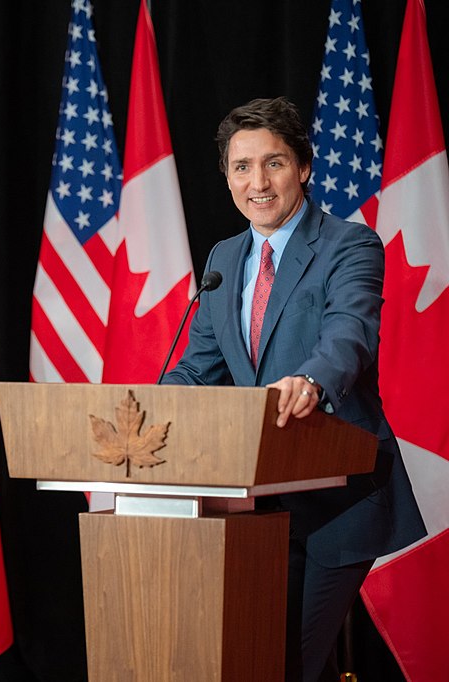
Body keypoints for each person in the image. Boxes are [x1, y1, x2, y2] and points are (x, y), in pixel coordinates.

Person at [161, 97, 426, 681]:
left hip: (338, 494)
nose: (258, 182)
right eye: (241, 167)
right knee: (260, 660)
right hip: (250, 503)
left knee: (287, 663)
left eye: (274, 163)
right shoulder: (224, 259)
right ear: (227, 177)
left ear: (303, 167)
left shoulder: (348, 245)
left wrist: (311, 380)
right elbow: (199, 368)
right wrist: (152, 403)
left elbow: (349, 335)